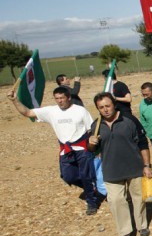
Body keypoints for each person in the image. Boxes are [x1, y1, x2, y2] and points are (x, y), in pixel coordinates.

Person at [7, 87, 100, 215]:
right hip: (65, 150)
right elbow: (28, 113)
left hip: (82, 149)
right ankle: (90, 187)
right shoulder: (51, 111)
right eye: (57, 98)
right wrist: (14, 100)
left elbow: (91, 130)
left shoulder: (80, 111)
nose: (60, 101)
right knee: (68, 176)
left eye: (62, 98)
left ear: (68, 98)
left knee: (86, 175)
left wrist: (93, 145)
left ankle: (92, 202)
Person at [88, 92, 152, 236]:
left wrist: (147, 165)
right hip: (111, 170)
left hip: (134, 167)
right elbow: (93, 151)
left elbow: (143, 144)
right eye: (101, 107)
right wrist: (91, 142)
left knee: (138, 198)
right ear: (97, 108)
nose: (105, 110)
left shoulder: (129, 120)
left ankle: (142, 225)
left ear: (114, 104)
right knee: (116, 201)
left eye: (107, 106)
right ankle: (125, 232)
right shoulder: (96, 126)